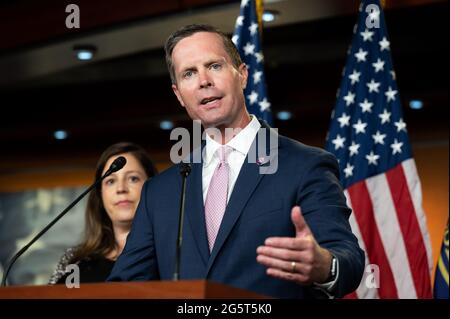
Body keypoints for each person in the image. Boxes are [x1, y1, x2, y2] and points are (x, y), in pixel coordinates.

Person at [107, 24, 365, 298]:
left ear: (242, 75)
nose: (203, 80)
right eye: (189, 73)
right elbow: (125, 285)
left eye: (214, 66)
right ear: (179, 94)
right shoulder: (159, 192)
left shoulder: (304, 166)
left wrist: (325, 265)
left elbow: (347, 259)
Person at [49, 142, 157, 284]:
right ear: (100, 195)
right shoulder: (76, 262)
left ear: (154, 187)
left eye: (133, 178)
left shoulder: (171, 255)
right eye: (111, 181)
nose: (121, 188)